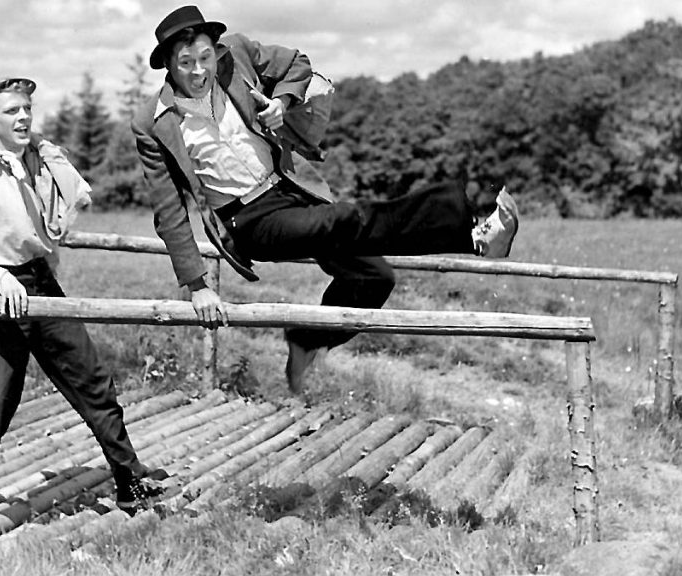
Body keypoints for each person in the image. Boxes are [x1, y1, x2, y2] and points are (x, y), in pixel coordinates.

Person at [132, 6, 520, 393]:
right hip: (248, 220)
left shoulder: (236, 53)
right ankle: (473, 236)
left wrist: (281, 103)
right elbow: (169, 212)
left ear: (214, 50)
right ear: (168, 64)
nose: (199, 71)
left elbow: (297, 64)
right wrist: (198, 286)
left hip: (290, 189)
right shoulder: (153, 122)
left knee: (374, 278)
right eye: (186, 63)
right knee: (345, 219)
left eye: (205, 58)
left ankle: (305, 342)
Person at [0, 78, 161, 522]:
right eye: (11, 111)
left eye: (27, 109)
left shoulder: (42, 164)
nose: (23, 117)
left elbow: (64, 212)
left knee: (93, 381)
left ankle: (130, 483)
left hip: (41, 285)